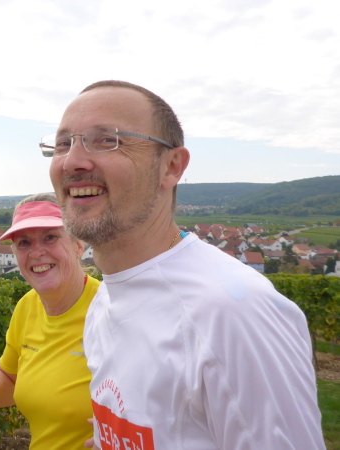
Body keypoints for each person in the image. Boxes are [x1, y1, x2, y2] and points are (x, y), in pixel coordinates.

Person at [44, 80, 325, 449]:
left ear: (171, 167)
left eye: (107, 140)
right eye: (63, 144)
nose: (72, 161)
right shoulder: (104, 303)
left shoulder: (231, 312)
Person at [0, 193, 103, 448]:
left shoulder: (111, 310)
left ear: (79, 245)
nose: (36, 252)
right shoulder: (27, 306)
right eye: (23, 242)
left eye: (50, 237)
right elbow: (11, 380)